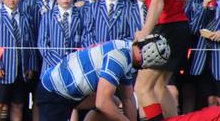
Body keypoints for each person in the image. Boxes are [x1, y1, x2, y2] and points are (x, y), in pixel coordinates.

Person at [123, 0, 191, 120]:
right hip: (180, 26)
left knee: (142, 88)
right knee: (160, 87)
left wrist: (144, 33)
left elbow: (157, 2)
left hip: (166, 29)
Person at [36, 37, 169, 121]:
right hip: (54, 91)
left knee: (115, 102)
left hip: (72, 91)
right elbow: (102, 102)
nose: (145, 68)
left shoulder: (128, 50)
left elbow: (127, 99)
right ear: (142, 57)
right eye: (147, 65)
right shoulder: (119, 58)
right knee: (107, 104)